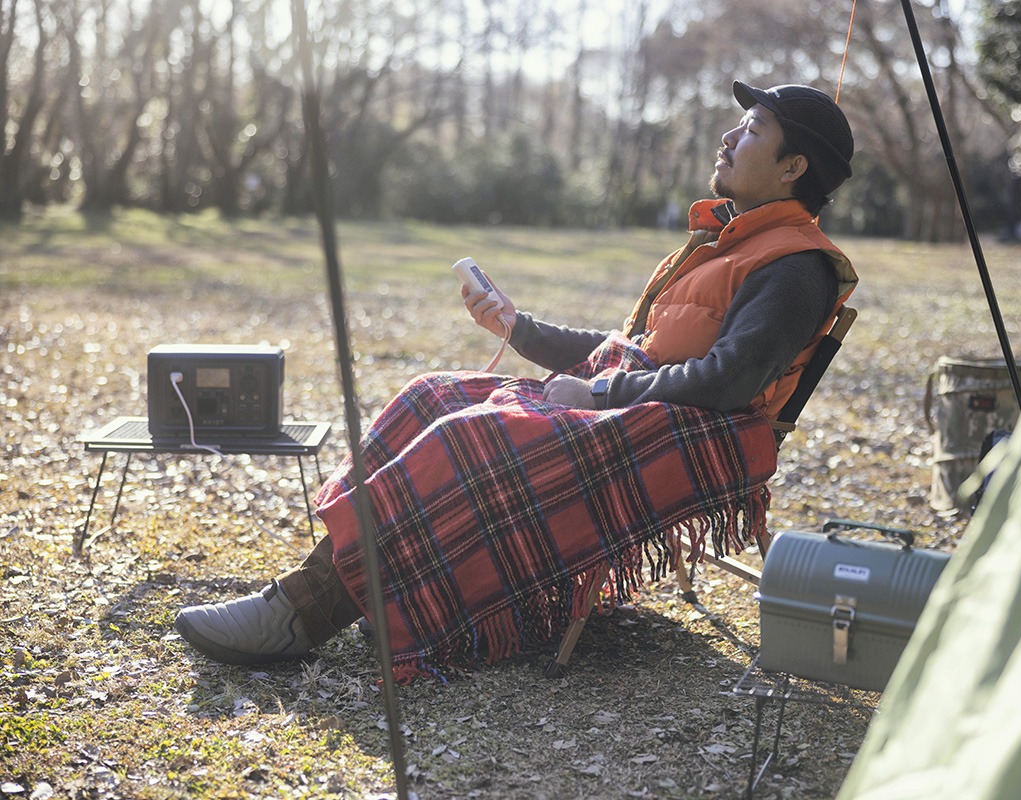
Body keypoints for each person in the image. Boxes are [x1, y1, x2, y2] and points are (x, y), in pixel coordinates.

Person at [175, 80, 859, 680]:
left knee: (469, 438)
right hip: (634, 404)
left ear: (793, 166)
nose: (729, 135)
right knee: (432, 396)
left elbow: (730, 381)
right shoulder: (724, 243)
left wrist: (595, 394)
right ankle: (352, 583)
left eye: (752, 129)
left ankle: (303, 612)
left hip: (686, 434)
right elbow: (631, 348)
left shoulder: (796, 266)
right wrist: (516, 326)